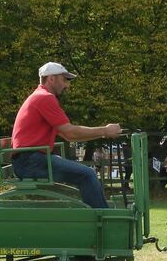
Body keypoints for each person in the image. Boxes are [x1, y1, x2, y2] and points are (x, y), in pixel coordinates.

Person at [10, 61, 121, 208]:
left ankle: (100, 216)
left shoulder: (40, 96)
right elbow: (71, 132)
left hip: (30, 160)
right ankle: (104, 220)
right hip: (31, 161)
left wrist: (103, 134)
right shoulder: (45, 98)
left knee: (86, 175)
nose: (67, 85)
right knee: (87, 175)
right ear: (51, 79)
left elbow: (68, 135)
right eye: (64, 80)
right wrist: (105, 130)